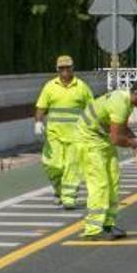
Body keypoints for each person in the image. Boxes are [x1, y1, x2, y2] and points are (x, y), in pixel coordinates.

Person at [77, 78, 137, 241]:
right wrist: (136, 143)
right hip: (88, 140)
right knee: (100, 184)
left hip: (101, 139)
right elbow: (116, 139)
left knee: (113, 180)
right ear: (136, 93)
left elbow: (122, 128)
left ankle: (108, 224)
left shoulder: (127, 103)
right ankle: (93, 229)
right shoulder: (120, 103)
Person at [34, 55, 94, 209]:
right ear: (57, 69)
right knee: (53, 166)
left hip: (76, 136)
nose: (65, 71)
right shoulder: (50, 86)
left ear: (73, 68)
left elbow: (92, 110)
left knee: (72, 168)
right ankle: (59, 191)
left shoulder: (82, 87)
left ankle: (68, 198)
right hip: (54, 135)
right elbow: (41, 107)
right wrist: (39, 121)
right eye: (62, 68)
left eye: (68, 67)